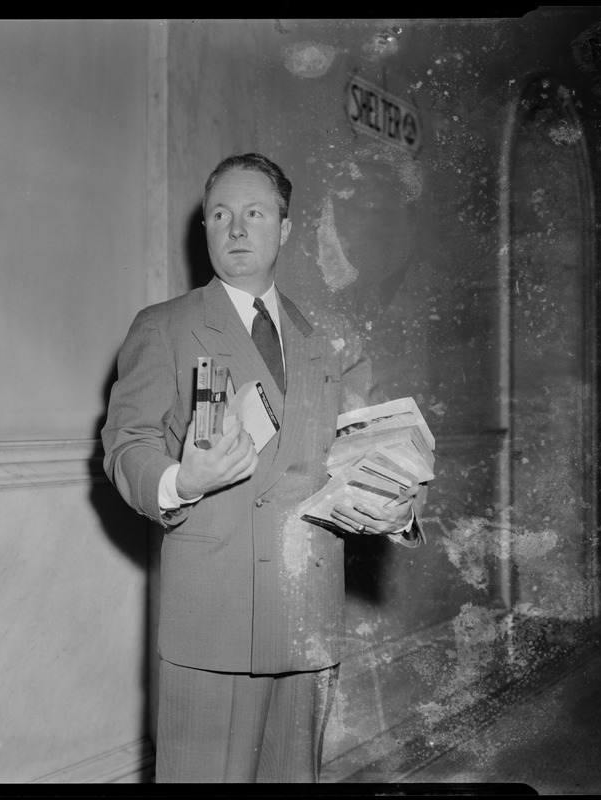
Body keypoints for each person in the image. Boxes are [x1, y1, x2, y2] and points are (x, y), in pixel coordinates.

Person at [101, 153, 427, 783]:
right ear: (206, 230)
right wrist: (180, 482)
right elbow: (126, 444)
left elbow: (371, 453)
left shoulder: (330, 337)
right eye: (220, 215)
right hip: (211, 624)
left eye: (255, 213)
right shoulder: (164, 328)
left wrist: (398, 507)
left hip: (305, 620)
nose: (237, 229)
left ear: (284, 227)